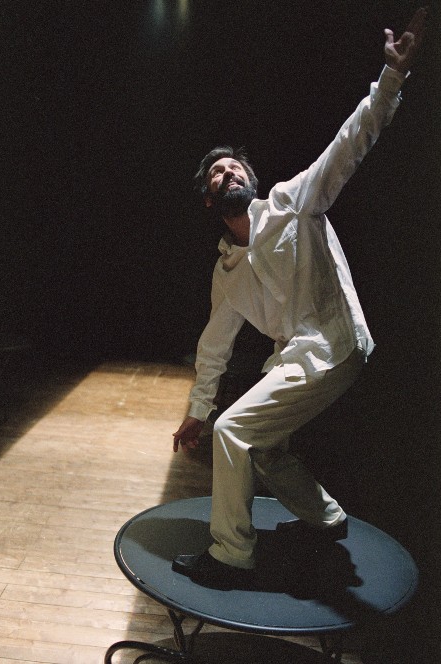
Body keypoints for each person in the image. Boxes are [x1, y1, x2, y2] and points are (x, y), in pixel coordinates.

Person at [172, 8, 427, 587]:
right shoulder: (227, 271)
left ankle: (230, 556)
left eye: (235, 168)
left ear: (252, 181)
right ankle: (327, 518)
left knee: (235, 432)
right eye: (217, 175)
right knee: (262, 448)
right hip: (297, 357)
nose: (228, 173)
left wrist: (392, 77)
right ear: (210, 201)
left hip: (333, 345)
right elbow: (214, 345)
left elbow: (349, 144)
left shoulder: (293, 202)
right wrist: (196, 410)